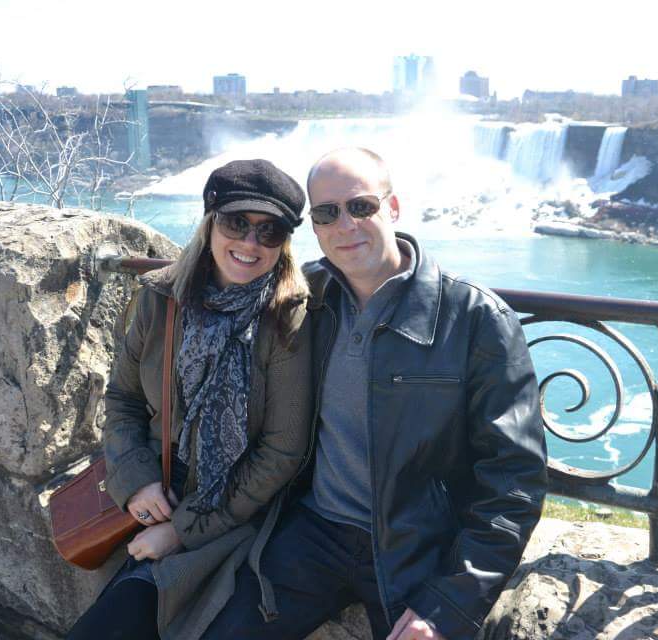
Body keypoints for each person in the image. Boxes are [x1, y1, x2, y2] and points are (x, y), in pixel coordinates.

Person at [204, 147, 548, 639]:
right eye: (327, 213)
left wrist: (451, 600)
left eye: (361, 206)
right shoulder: (307, 297)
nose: (345, 225)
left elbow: (514, 479)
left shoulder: (475, 319)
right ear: (315, 227)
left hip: (418, 549)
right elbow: (215, 300)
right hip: (313, 532)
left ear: (394, 207)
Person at [68, 159, 313, 640]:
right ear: (210, 221)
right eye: (236, 223)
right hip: (158, 481)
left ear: (284, 242)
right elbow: (123, 398)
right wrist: (136, 482)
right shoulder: (162, 297)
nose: (250, 243)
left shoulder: (287, 317)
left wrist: (182, 529)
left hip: (234, 504)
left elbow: (281, 452)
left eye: (269, 231)